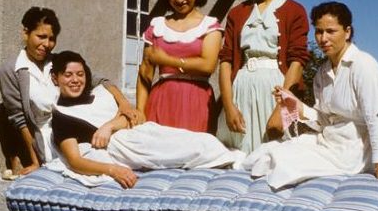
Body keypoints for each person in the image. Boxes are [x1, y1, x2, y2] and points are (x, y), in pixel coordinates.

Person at [242, 2, 378, 189]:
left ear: (347, 32)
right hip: (327, 142)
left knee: (284, 165)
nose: (323, 38)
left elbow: (377, 118)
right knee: (266, 153)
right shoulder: (322, 73)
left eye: (331, 31)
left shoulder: (364, 65)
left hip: (353, 153)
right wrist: (296, 105)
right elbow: (323, 121)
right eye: (319, 32)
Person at [49, 51, 243, 188]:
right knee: (193, 148)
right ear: (55, 78)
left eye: (80, 74)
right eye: (68, 75)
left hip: (138, 131)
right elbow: (75, 161)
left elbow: (129, 117)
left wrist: (109, 126)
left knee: (198, 139)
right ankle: (234, 162)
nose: (75, 80)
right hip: (125, 147)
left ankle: (232, 159)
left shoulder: (99, 94)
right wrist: (113, 170)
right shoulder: (62, 117)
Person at [0, 7, 140, 176]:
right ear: (26, 33)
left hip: (77, 131)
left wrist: (124, 104)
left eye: (51, 39)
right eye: (41, 37)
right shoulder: (10, 71)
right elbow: (20, 121)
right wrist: (35, 160)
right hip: (50, 141)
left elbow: (101, 81)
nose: (46, 44)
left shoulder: (58, 63)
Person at [217, 0, 309, 154]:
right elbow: (225, 61)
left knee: (276, 154)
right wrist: (228, 105)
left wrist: (283, 108)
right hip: (241, 90)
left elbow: (297, 61)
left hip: (276, 91)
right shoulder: (237, 13)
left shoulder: (294, 10)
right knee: (237, 154)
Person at [136, 0, 222, 132]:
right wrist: (140, 110)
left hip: (197, 99)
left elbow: (208, 65)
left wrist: (167, 60)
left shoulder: (210, 25)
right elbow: (144, 73)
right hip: (162, 99)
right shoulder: (157, 26)